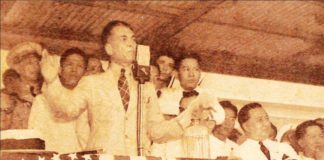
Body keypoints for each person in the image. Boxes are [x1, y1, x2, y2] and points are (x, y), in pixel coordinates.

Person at [40, 20, 198, 156]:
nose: (131, 44)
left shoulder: (146, 86)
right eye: (124, 39)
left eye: (133, 39)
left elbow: (155, 130)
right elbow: (66, 110)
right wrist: (52, 80)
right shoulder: (92, 83)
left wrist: (188, 118)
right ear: (109, 48)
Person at [151, 53, 225, 158]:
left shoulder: (207, 94)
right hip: (173, 147)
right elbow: (163, 121)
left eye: (196, 69)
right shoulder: (166, 94)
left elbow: (219, 117)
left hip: (199, 147)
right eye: (186, 69)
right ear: (176, 73)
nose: (192, 74)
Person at [29, 48, 90, 153]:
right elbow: (35, 138)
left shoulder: (91, 101)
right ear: (60, 70)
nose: (74, 70)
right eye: (69, 64)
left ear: (85, 74)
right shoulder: (42, 101)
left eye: (79, 66)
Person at [234, 103, 298, 160]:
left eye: (267, 118)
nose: (266, 123)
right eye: (260, 120)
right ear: (246, 126)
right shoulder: (239, 154)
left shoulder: (283, 147)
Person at [5, 42, 44, 129]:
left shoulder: (47, 93)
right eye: (29, 63)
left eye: (37, 63)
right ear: (18, 68)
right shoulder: (7, 95)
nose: (35, 67)